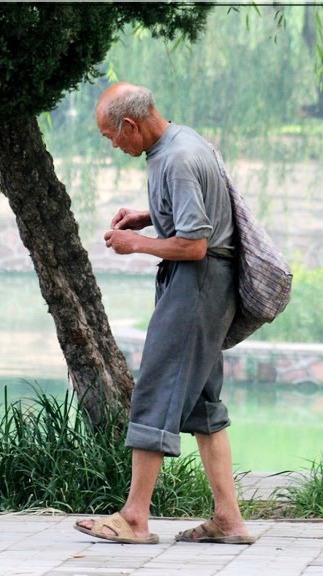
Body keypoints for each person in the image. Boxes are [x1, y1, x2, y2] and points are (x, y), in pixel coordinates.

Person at [74, 83, 256, 545]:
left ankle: (134, 518)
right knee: (202, 403)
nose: (112, 144)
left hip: (196, 287)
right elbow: (203, 215)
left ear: (130, 125)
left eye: (111, 135)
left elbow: (195, 244)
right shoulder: (184, 141)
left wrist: (136, 243)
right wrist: (148, 216)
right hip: (212, 289)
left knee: (154, 391)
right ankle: (229, 520)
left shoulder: (174, 160)